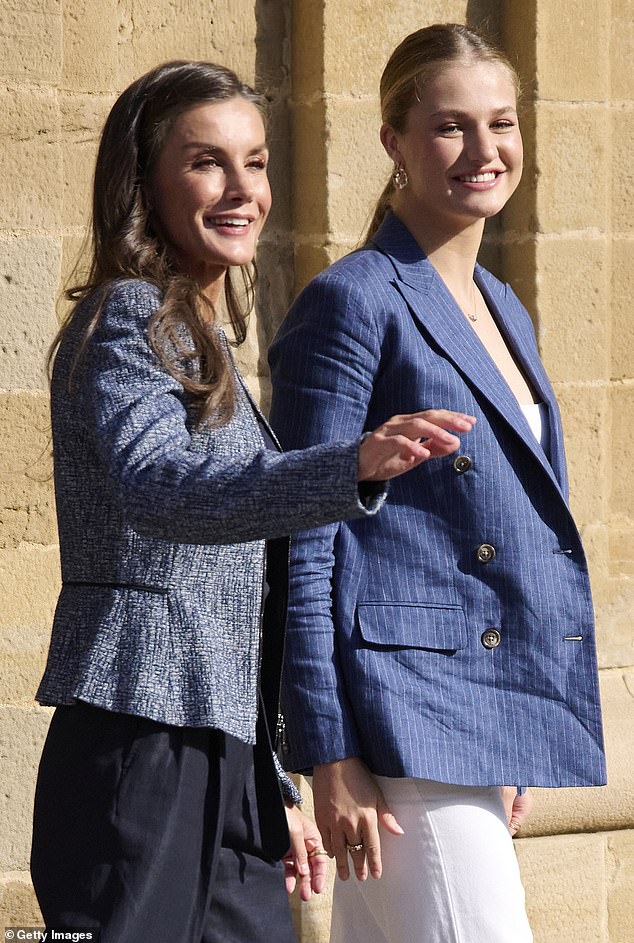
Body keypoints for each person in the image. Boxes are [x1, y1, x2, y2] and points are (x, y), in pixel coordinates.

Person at [29, 59, 475, 943]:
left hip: (222, 757)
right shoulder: (127, 317)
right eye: (208, 162)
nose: (244, 189)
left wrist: (271, 783)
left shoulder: (203, 339)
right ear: (144, 181)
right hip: (139, 742)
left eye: (258, 162)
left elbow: (234, 601)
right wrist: (345, 468)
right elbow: (158, 488)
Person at [268, 23, 606, 943]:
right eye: (451, 126)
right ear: (394, 142)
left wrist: (516, 719)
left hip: (478, 714)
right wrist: (326, 750)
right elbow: (300, 537)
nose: (484, 150)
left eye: (502, 123)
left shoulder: (505, 307)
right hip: (396, 716)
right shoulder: (353, 298)